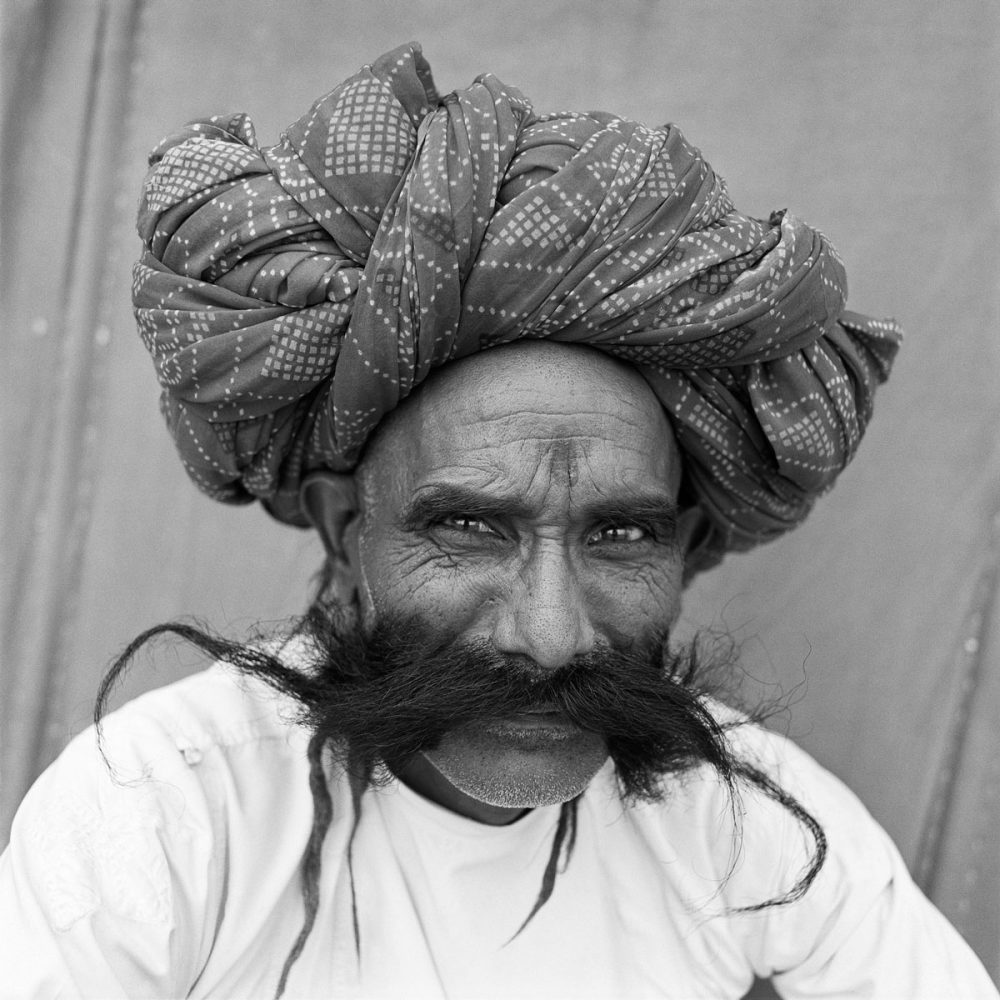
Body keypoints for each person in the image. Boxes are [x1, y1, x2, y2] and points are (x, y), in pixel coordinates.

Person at [1, 42, 995, 999]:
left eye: (619, 535)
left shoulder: (738, 817)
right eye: (471, 528)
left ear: (690, 545)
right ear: (348, 529)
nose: (551, 633)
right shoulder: (165, 810)